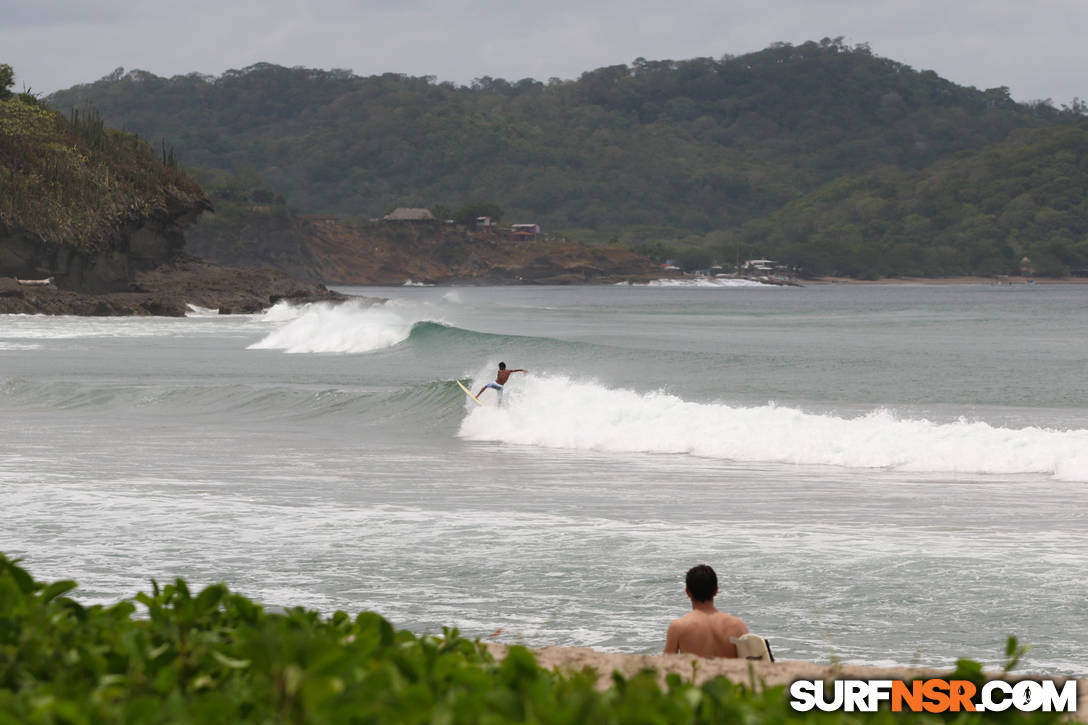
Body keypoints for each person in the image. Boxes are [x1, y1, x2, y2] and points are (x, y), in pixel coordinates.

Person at [663, 564, 749, 658]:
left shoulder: (678, 627)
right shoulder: (737, 625)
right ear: (716, 590)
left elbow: (665, 666)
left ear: (687, 591)